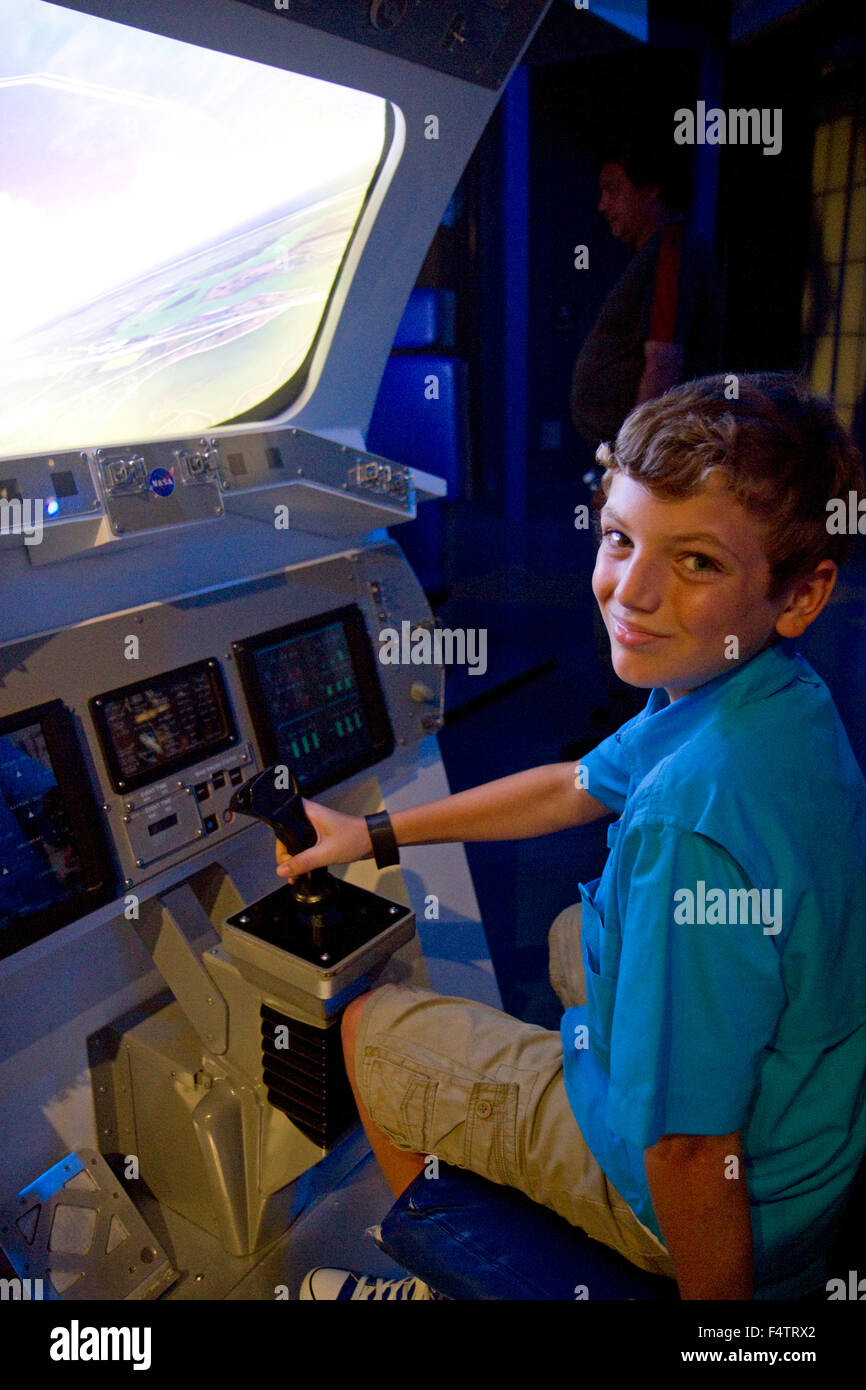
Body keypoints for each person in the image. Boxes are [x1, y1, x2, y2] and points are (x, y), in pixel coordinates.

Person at [277, 374, 866, 1301]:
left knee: (369, 1027)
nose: (630, 591)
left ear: (799, 595)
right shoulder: (768, 696)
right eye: (623, 539)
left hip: (716, 1203)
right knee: (566, 936)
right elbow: (572, 785)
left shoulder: (686, 822)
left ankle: (444, 1271)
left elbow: (688, 1147)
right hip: (813, 1141)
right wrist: (368, 833)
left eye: (698, 563)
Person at [571, 145, 722, 459]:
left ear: (651, 190)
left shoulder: (672, 251)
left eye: (612, 190)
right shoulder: (659, 253)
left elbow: (663, 362)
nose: (602, 205)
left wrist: (632, 463)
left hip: (637, 457)